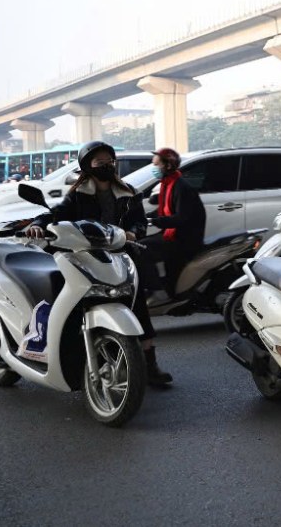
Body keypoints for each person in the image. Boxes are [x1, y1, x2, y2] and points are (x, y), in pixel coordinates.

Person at [26, 140, 172, 386]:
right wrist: (38, 225)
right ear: (88, 166)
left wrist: (134, 233)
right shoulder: (78, 195)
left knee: (137, 309)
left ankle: (150, 365)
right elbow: (56, 215)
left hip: (124, 257)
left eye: (109, 161)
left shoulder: (129, 192)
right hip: (86, 258)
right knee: (74, 302)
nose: (106, 166)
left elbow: (139, 222)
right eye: (100, 162)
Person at [143, 148, 206, 304]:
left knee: (140, 250)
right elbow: (163, 211)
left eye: (156, 165)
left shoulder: (181, 187)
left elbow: (180, 218)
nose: (154, 168)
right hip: (172, 234)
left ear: (168, 166)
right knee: (137, 244)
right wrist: (145, 218)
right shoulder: (168, 184)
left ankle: (157, 291)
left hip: (183, 240)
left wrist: (154, 221)